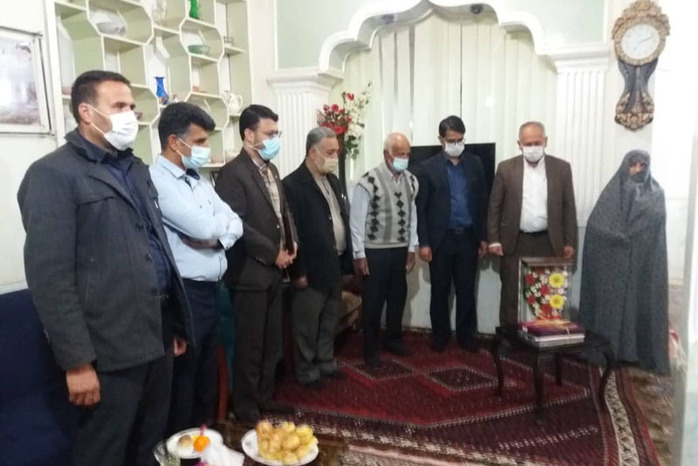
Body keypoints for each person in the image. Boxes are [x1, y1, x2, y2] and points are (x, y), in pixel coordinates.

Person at [17, 70, 194, 466]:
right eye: (119, 106)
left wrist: (175, 324)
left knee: (152, 444)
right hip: (108, 346)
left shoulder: (135, 169)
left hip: (157, 330)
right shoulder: (53, 174)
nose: (130, 114)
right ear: (86, 112)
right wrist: (77, 362)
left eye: (131, 106)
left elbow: (155, 245)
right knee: (105, 450)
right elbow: (50, 278)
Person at [150, 103, 243, 433]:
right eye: (200, 141)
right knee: (185, 381)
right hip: (184, 293)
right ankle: (182, 448)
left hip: (211, 290)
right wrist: (216, 229)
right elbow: (201, 227)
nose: (206, 149)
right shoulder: (157, 181)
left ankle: (205, 443)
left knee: (207, 376)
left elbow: (235, 222)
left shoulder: (198, 180)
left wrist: (217, 241)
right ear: (175, 142)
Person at [214, 104, 297, 424]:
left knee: (272, 343)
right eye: (269, 134)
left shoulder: (271, 169)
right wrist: (271, 252)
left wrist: (292, 243)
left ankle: (265, 396)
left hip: (275, 271)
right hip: (249, 273)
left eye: (277, 133)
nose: (275, 139)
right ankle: (246, 407)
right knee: (251, 344)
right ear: (249, 135)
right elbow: (237, 225)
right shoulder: (233, 173)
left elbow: (283, 212)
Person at [579, 150, 669, 374]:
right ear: (624, 167)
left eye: (642, 166)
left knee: (636, 305)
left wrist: (635, 237)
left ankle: (634, 353)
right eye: (633, 165)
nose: (637, 170)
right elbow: (597, 226)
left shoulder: (656, 193)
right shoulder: (612, 192)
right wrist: (617, 239)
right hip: (612, 264)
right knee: (611, 307)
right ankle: (607, 350)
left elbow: (656, 224)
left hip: (642, 263)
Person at [487, 121, 577, 325]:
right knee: (511, 295)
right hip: (515, 243)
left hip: (549, 243)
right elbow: (494, 206)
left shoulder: (561, 168)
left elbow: (569, 208)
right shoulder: (506, 168)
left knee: (548, 296)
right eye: (528, 144)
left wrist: (570, 242)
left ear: (546, 141)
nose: (533, 147)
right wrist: (494, 239)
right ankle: (509, 337)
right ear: (519, 144)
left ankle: (544, 337)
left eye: (537, 142)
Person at [283, 127, 352, 389]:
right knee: (307, 324)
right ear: (313, 153)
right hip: (310, 267)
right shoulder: (292, 185)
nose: (335, 157)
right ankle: (306, 370)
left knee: (329, 318)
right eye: (330, 152)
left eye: (336, 152)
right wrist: (298, 270)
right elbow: (292, 230)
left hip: (334, 262)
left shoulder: (332, 180)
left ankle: (326, 362)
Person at [414, 116, 488, 352]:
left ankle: (467, 336)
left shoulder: (475, 163)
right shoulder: (428, 168)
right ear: (441, 140)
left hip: (468, 237)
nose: (456, 144)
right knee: (440, 291)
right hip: (441, 240)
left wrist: (483, 237)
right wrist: (424, 242)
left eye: (460, 140)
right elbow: (421, 208)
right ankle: (440, 336)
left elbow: (482, 202)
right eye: (451, 140)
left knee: (466, 291)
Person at [350, 133, 418, 367]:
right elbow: (356, 221)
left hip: (399, 249)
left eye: (407, 154)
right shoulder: (368, 181)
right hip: (375, 251)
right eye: (400, 154)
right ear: (386, 155)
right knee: (373, 300)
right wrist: (359, 254)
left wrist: (412, 247)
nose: (404, 158)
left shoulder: (411, 181)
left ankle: (393, 339)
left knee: (398, 297)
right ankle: (370, 347)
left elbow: (413, 217)